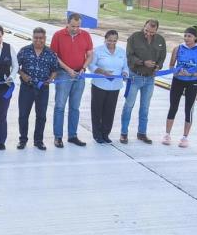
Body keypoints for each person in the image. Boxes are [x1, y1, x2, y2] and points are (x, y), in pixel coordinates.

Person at [50, 13, 93, 148]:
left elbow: (90, 55)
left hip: (79, 75)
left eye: (78, 26)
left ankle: (72, 135)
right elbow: (54, 56)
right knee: (60, 106)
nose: (75, 29)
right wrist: (68, 69)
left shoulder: (85, 35)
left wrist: (84, 68)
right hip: (64, 74)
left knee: (75, 107)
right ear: (67, 23)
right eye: (73, 26)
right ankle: (58, 137)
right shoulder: (58, 35)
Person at [120, 19, 166, 144]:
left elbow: (162, 57)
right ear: (144, 26)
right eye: (146, 31)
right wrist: (143, 62)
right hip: (135, 77)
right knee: (129, 105)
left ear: (156, 30)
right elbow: (129, 56)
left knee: (145, 108)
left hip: (150, 79)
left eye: (152, 32)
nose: (148, 34)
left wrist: (158, 66)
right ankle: (124, 133)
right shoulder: (134, 37)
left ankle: (142, 133)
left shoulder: (161, 40)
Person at [163, 26, 197, 148]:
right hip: (178, 81)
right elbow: (172, 65)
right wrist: (176, 71)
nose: (186, 38)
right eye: (185, 35)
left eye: (189, 36)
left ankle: (185, 137)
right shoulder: (177, 49)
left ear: (195, 37)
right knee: (173, 106)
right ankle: (167, 134)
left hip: (192, 83)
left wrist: (191, 74)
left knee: (188, 109)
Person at [16, 27, 58, 151]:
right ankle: (22, 140)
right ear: (33, 37)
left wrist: (51, 78)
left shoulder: (50, 53)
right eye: (36, 38)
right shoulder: (24, 51)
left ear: (45, 39)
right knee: (23, 115)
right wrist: (23, 75)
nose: (38, 40)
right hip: (26, 88)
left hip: (43, 89)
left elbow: (55, 70)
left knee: (41, 116)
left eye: (41, 38)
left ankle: (38, 141)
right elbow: (15, 66)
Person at [88, 30, 129, 144]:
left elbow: (125, 67)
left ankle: (106, 133)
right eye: (109, 40)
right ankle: (97, 134)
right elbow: (91, 65)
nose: (112, 43)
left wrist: (125, 73)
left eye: (114, 41)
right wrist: (102, 71)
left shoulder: (121, 51)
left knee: (109, 111)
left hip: (115, 86)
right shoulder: (98, 51)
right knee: (97, 111)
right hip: (99, 85)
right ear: (105, 39)